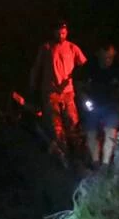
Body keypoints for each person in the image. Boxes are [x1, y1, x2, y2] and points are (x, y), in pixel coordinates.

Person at [28, 20, 86, 156]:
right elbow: (36, 68)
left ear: (67, 32)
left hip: (68, 92)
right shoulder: (46, 47)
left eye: (63, 33)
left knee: (73, 123)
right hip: (51, 92)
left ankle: (79, 153)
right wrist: (32, 86)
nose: (61, 36)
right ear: (54, 32)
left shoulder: (72, 47)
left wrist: (79, 79)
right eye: (58, 33)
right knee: (56, 127)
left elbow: (84, 65)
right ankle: (63, 154)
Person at [73, 42, 119, 168]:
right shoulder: (89, 66)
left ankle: (105, 164)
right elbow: (78, 83)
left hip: (111, 105)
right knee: (91, 133)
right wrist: (83, 97)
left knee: (110, 131)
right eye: (104, 57)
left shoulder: (118, 67)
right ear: (98, 55)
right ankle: (95, 162)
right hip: (93, 104)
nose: (107, 61)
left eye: (110, 57)